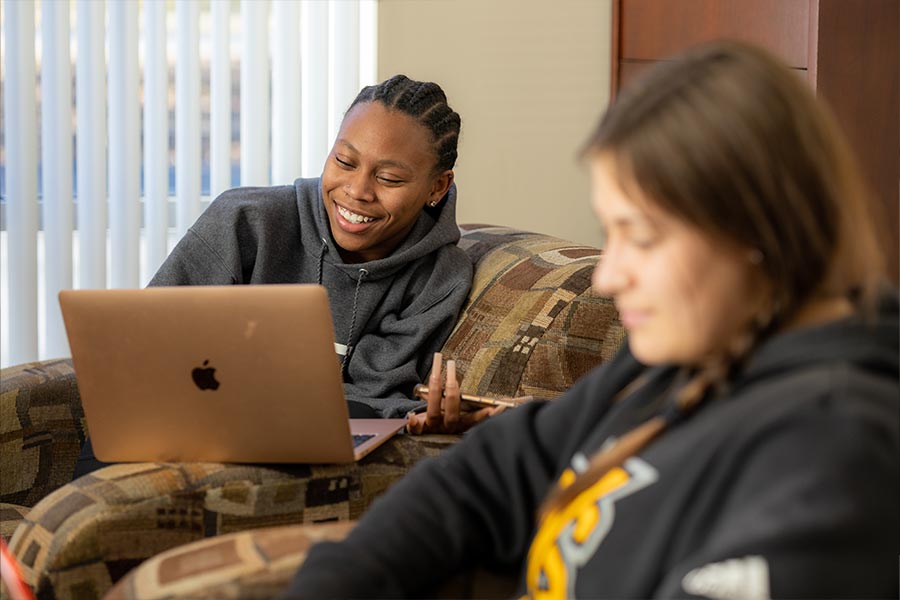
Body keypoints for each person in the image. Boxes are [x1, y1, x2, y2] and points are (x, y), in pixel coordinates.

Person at [282, 41, 899, 598]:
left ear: (760, 231)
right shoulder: (677, 362)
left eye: (644, 237)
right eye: (611, 234)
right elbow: (489, 473)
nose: (608, 275)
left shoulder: (831, 447)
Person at [73, 75, 477, 478]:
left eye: (388, 178)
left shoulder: (440, 276)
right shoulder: (245, 221)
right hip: (178, 416)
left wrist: (421, 417)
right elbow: (144, 337)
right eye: (344, 161)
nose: (357, 190)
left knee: (346, 418)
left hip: (300, 444)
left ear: (437, 187)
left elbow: (372, 399)